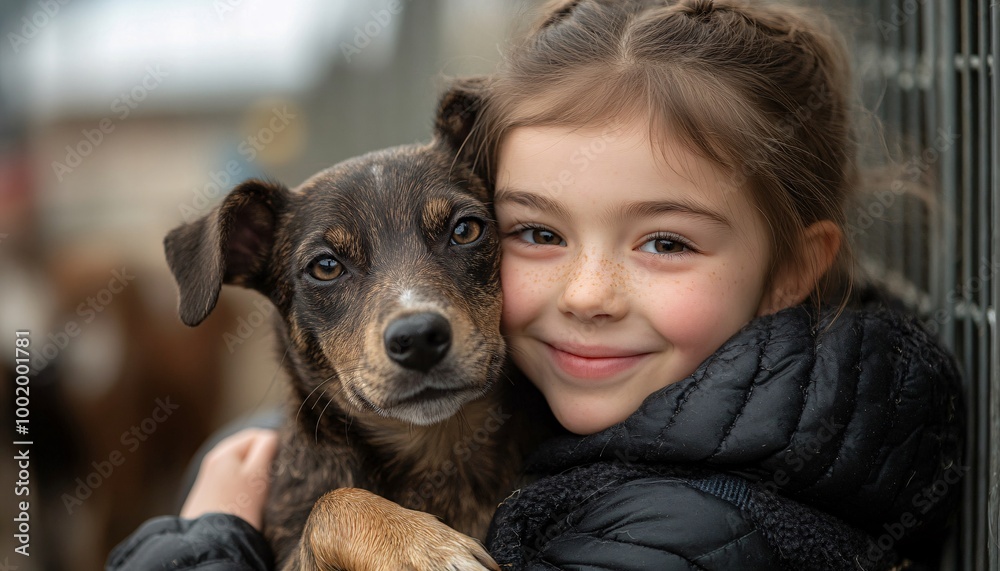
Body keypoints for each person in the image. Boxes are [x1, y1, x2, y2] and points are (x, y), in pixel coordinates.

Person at [107, 1, 965, 569]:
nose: (414, 317)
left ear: (791, 269)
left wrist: (207, 537)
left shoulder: (651, 494)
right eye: (540, 233)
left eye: (469, 232)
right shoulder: (598, 397)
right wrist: (337, 523)